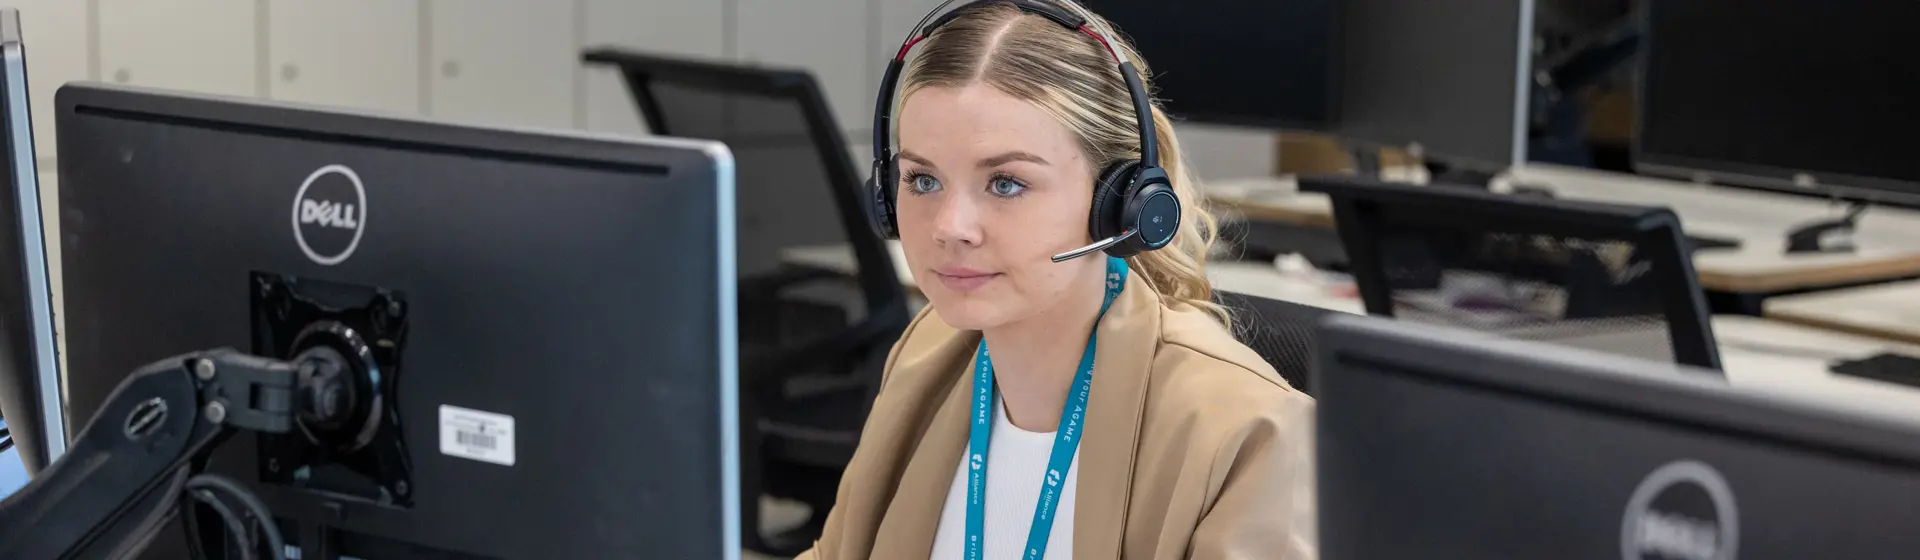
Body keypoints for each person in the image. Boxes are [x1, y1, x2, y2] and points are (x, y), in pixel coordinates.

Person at [798, 1, 1314, 558]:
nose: (950, 227)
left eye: (1006, 184)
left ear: (1119, 204)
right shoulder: (928, 355)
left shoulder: (1246, 432)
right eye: (922, 180)